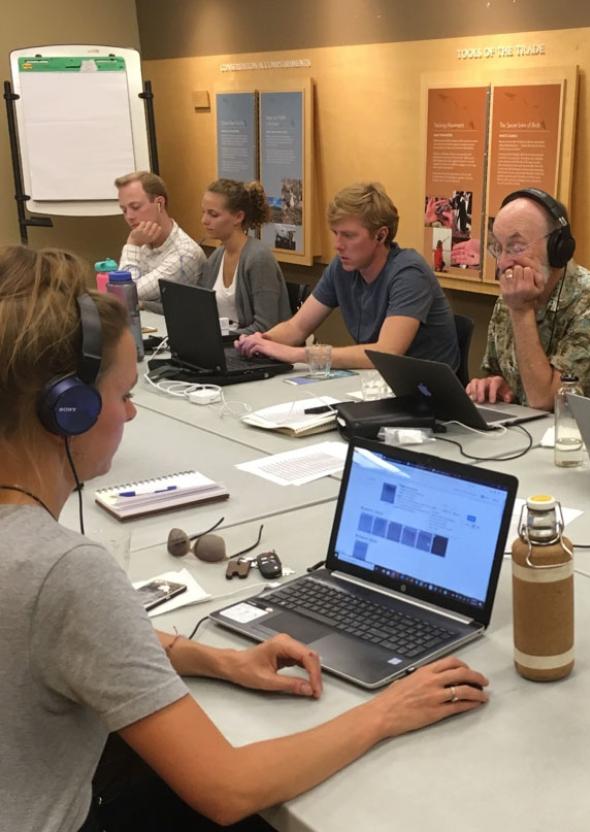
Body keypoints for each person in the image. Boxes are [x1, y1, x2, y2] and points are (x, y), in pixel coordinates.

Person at [0, 245, 489, 831]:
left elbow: (80, 630)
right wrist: (387, 710)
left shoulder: (43, 570)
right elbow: (227, 789)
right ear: (68, 411)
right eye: (125, 395)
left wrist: (221, 661)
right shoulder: (63, 571)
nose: (131, 415)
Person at [236, 182, 459, 370]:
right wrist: (261, 342)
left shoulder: (409, 273)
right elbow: (297, 328)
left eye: (349, 236)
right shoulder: (342, 268)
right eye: (336, 234)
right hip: (377, 386)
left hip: (426, 396)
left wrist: (296, 354)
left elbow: (387, 352)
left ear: (381, 235)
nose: (338, 245)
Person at [466, 189, 590, 411]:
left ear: (557, 248)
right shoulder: (511, 297)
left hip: (574, 438)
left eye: (516, 247)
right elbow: (497, 371)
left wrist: (521, 311)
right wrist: (492, 385)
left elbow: (546, 401)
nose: (502, 263)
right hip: (518, 432)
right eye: (498, 248)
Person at [198, 179, 292, 334]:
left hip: (253, 351)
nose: (204, 221)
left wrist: (217, 338)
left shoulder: (258, 259)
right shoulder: (216, 257)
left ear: (238, 217)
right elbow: (199, 308)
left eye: (213, 214)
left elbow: (266, 327)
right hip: (227, 346)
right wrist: (146, 305)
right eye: (204, 212)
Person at [115, 171, 205, 305]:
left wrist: (132, 245)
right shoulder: (143, 243)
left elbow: (127, 295)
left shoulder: (185, 253)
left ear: (160, 204)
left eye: (135, 207)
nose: (129, 216)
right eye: (124, 210)